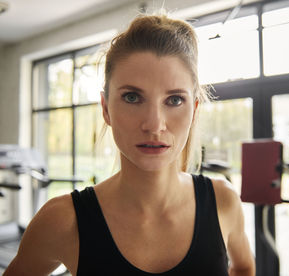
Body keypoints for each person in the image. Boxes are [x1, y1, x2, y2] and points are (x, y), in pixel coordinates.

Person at [4, 13, 255, 276]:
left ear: (194, 110)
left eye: (174, 100)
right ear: (106, 109)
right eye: (132, 97)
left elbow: (244, 267)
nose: (154, 124)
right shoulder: (63, 220)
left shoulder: (222, 201)